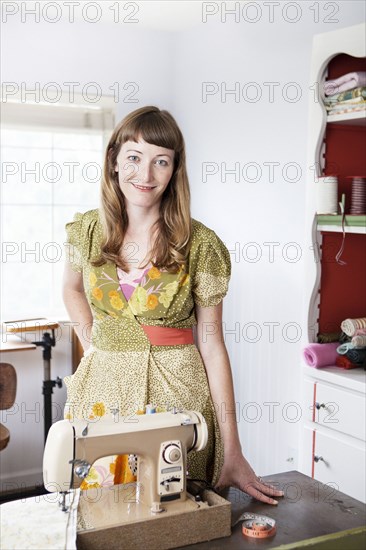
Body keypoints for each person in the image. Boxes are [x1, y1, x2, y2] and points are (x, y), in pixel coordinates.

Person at [62, 106, 283, 504]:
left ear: (174, 169)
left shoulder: (201, 244)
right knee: (100, 510)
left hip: (177, 393)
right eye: (134, 157)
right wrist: (94, 340)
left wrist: (232, 449)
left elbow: (213, 346)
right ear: (114, 161)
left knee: (173, 509)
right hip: (102, 391)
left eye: (160, 161)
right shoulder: (87, 230)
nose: (145, 175)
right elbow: (72, 289)